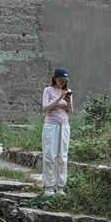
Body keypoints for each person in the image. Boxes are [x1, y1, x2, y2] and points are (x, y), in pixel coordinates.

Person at [41, 67, 73, 196]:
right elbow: (44, 108)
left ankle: (60, 187)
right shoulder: (48, 90)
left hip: (64, 126)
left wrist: (68, 102)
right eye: (61, 80)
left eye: (65, 81)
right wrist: (58, 98)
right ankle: (49, 186)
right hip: (51, 125)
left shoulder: (68, 91)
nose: (63, 83)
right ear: (55, 78)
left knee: (62, 157)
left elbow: (70, 112)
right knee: (50, 155)